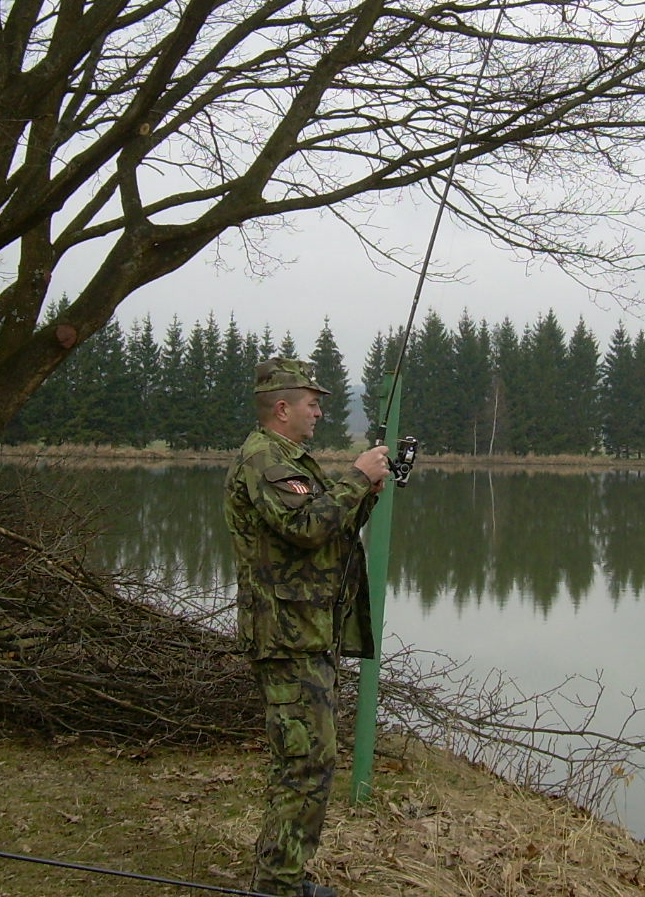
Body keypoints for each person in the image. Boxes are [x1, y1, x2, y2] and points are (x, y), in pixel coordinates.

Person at [224, 357, 390, 897]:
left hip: (306, 632)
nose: (319, 413)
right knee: (305, 763)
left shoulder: (292, 460)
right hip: (286, 636)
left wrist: (363, 494)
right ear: (282, 408)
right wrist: (356, 477)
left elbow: (329, 529)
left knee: (307, 761)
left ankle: (282, 876)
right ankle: (278, 886)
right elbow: (306, 526)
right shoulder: (264, 460)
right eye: (312, 404)